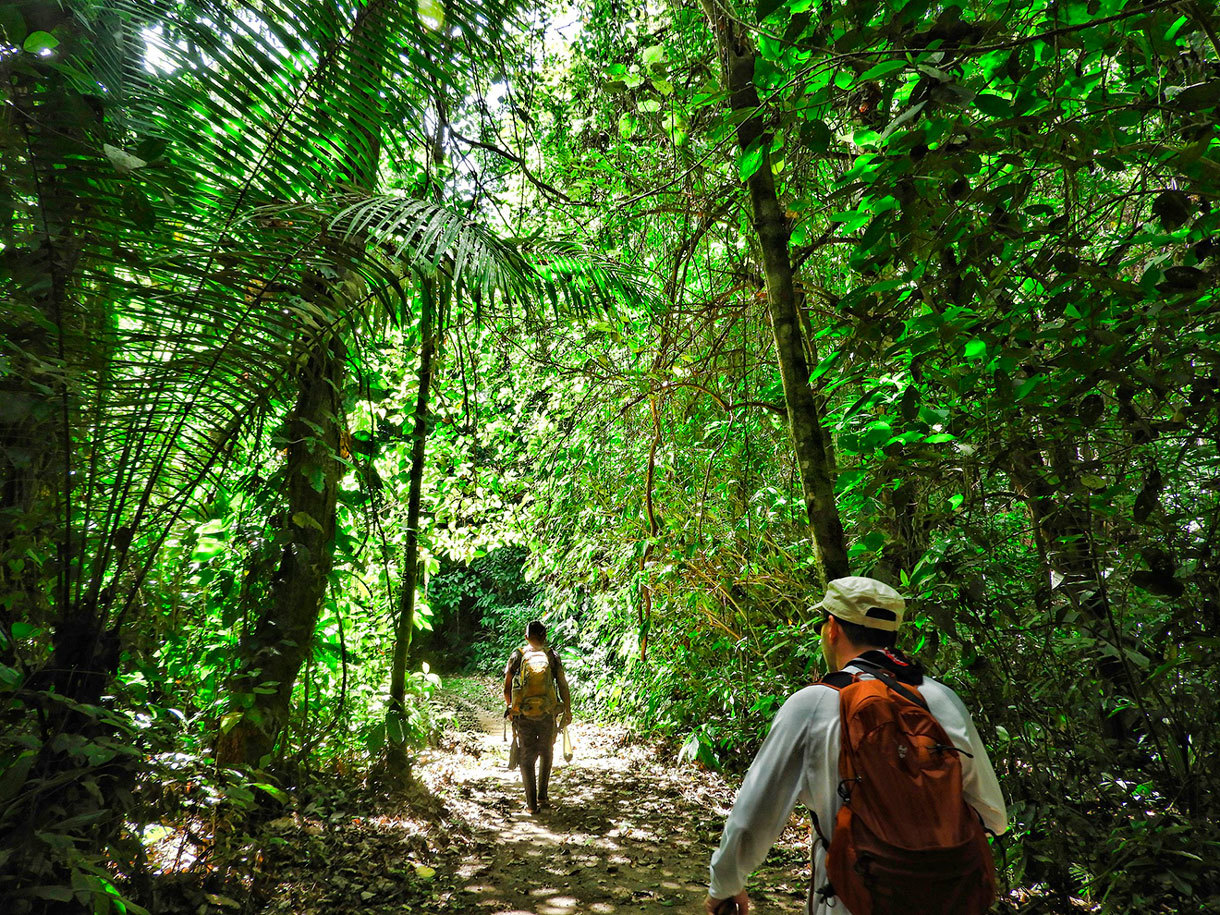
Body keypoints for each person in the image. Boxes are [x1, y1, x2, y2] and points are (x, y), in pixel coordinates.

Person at [705, 576, 1007, 915]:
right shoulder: (941, 699)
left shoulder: (813, 704)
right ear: (893, 633)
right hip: (948, 898)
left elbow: (752, 818)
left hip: (852, 898)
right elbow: (994, 817)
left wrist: (725, 886)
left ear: (832, 629)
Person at [503, 620, 572, 813]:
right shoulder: (552, 656)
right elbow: (563, 685)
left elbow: (507, 685)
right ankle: (543, 796)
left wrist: (511, 707)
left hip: (524, 714)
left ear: (526, 637)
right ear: (545, 636)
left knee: (526, 756)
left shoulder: (518, 655)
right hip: (547, 713)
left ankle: (531, 806)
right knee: (546, 751)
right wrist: (567, 710)